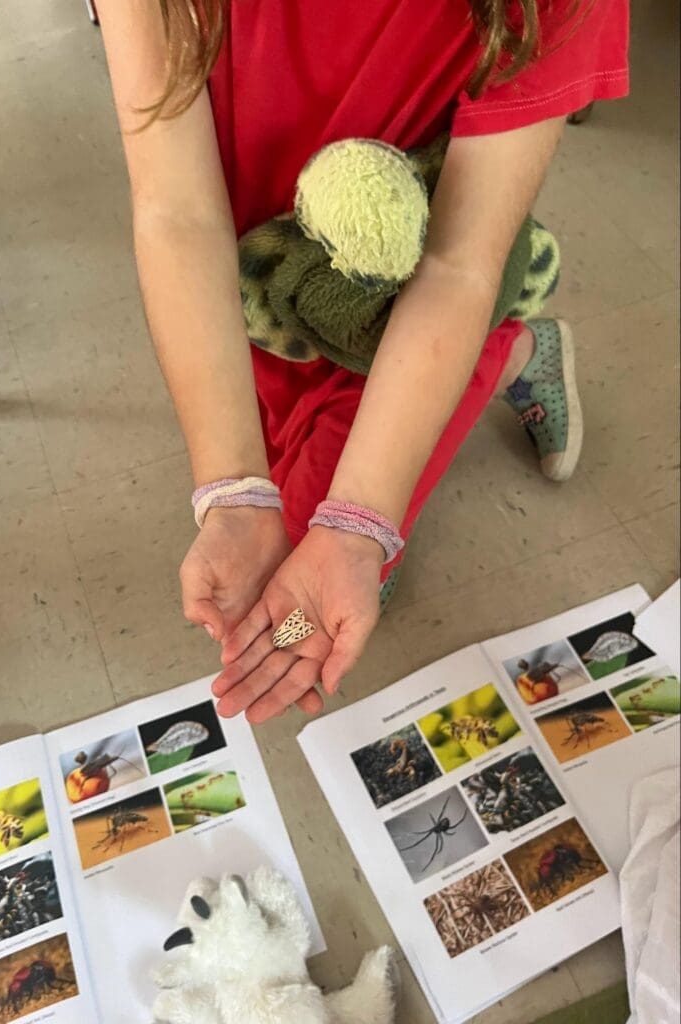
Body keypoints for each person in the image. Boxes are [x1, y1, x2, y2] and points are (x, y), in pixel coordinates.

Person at [96, 0, 628, 725]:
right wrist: (232, 493)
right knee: (276, 496)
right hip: (261, 279)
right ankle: (512, 354)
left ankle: (503, 350)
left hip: (406, 304)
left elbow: (459, 264)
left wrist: (355, 528)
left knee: (318, 552)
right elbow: (177, 211)